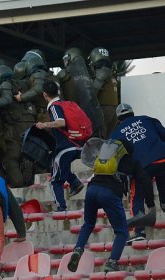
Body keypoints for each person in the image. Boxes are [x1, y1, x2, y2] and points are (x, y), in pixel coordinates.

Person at [67, 139, 155, 273]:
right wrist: (150, 204)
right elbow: (146, 181)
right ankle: (112, 262)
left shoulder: (104, 160)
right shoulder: (132, 162)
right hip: (109, 193)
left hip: (91, 190)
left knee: (88, 224)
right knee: (122, 232)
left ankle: (78, 249)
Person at [110, 103, 165, 243]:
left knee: (137, 196)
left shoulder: (115, 133)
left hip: (141, 168)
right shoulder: (147, 119)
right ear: (133, 113)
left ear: (119, 119)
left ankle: (139, 231)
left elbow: (114, 157)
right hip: (162, 159)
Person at [35, 80, 84, 211]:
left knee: (55, 180)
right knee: (59, 168)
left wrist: (45, 125)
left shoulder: (54, 107)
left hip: (65, 147)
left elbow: (61, 122)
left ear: (45, 95)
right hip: (76, 145)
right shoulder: (65, 104)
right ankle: (75, 183)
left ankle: (61, 208)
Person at [88, 47, 119, 138]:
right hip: (114, 109)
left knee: (100, 137)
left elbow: (92, 95)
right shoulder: (110, 74)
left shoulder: (101, 72)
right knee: (110, 137)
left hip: (103, 109)